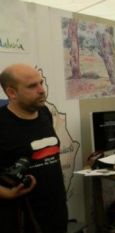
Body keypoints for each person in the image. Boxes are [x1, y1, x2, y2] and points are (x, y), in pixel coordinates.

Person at [0, 64, 68, 232]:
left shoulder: (44, 112)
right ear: (12, 93)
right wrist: (6, 193)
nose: (41, 90)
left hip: (56, 215)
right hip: (21, 221)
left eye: (41, 83)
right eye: (32, 86)